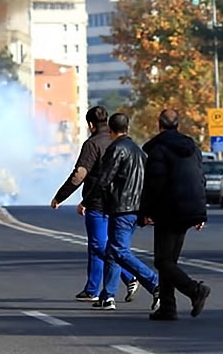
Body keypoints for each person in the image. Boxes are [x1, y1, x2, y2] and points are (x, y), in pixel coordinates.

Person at [51, 106, 141, 303]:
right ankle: (93, 287)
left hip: (98, 203)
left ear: (90, 125)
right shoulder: (119, 142)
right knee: (106, 245)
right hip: (120, 204)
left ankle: (130, 276)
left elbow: (79, 174)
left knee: (99, 245)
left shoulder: (92, 144)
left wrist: (60, 197)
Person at [79, 112, 159, 311]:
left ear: (111, 130)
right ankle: (108, 297)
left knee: (118, 251)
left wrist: (86, 201)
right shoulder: (139, 152)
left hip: (121, 209)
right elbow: (148, 184)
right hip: (136, 210)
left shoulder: (116, 149)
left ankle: (155, 283)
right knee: (114, 251)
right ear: (128, 128)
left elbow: (104, 180)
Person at [140, 109, 211, 321]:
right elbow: (201, 180)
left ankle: (195, 290)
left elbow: (153, 185)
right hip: (188, 209)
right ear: (177, 125)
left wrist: (145, 212)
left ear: (159, 124)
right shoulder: (192, 148)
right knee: (170, 260)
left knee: (163, 261)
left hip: (169, 210)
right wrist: (200, 213)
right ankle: (167, 307)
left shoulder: (158, 150)